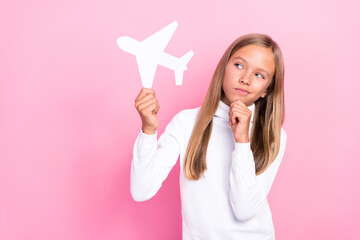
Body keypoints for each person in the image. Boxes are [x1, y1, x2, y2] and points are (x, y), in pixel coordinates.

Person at [131, 33, 287, 240]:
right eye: (239, 65)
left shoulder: (273, 135)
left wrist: (242, 142)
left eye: (260, 75)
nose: (245, 79)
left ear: (266, 90)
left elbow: (244, 210)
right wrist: (148, 130)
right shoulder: (186, 122)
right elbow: (141, 191)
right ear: (224, 67)